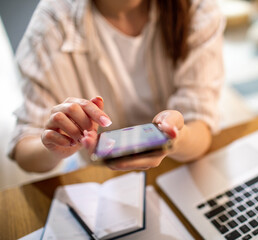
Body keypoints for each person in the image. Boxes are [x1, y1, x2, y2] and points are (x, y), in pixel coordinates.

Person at [8, 0, 225, 172]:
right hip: (100, 177)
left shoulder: (197, 9)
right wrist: (56, 147)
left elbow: (200, 129)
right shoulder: (50, 26)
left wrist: (175, 138)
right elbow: (24, 148)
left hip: (179, 171)